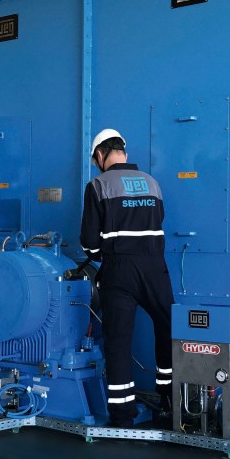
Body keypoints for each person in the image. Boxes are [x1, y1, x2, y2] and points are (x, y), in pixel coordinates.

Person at [80, 129, 175, 427]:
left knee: (119, 341)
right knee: (168, 328)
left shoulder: (98, 185)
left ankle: (123, 416)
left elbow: (89, 243)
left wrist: (105, 253)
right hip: (155, 266)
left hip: (119, 269)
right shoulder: (152, 183)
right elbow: (158, 222)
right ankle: (171, 401)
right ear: (124, 152)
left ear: (99, 155)